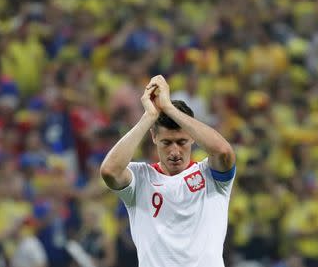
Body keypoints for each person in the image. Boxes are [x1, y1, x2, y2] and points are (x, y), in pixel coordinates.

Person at [100, 75, 236, 267]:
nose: (174, 152)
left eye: (181, 142)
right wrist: (149, 117)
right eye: (166, 143)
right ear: (154, 137)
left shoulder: (211, 176)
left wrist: (169, 108)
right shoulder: (140, 178)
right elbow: (109, 171)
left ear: (192, 137)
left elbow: (224, 152)